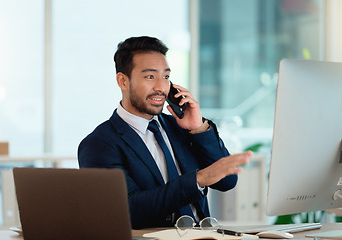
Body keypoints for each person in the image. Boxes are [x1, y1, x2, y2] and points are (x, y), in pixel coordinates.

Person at [78, 36, 252, 229]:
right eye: (150, 77)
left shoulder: (180, 127)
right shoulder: (99, 144)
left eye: (166, 77)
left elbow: (227, 181)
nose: (161, 87)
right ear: (123, 81)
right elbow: (127, 210)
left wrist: (199, 128)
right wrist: (197, 180)